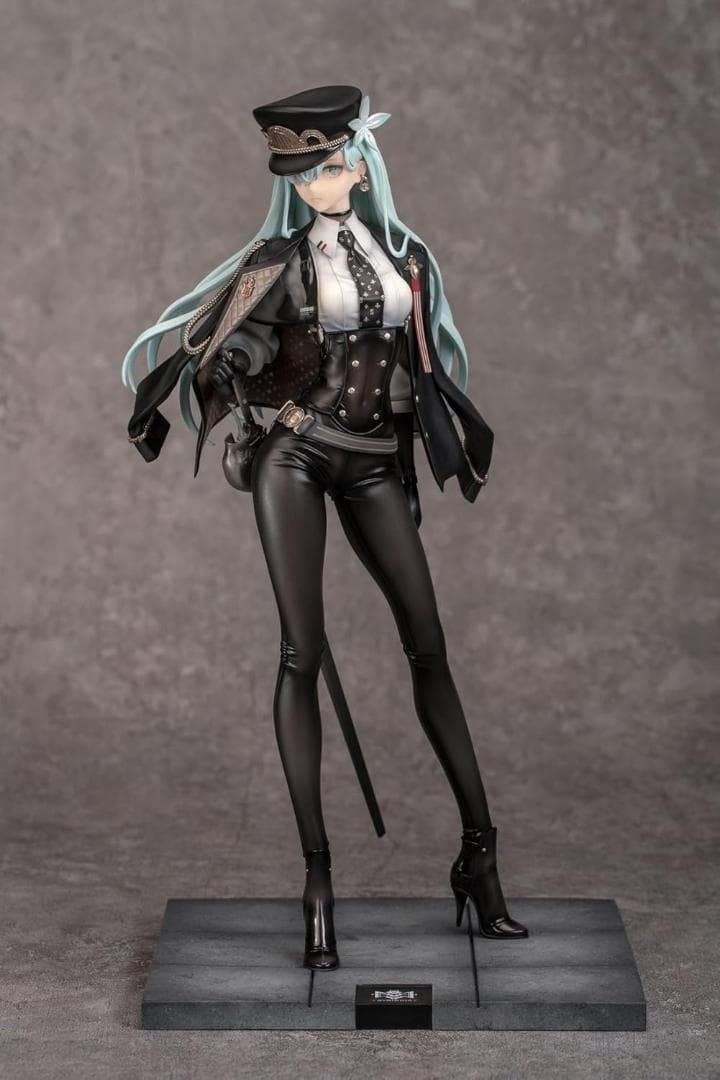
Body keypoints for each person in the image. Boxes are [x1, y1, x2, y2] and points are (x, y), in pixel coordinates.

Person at [123, 85, 529, 970]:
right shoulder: (276, 262)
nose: (317, 185)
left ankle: (480, 855)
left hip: (376, 461)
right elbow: (226, 348)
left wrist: (417, 467)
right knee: (299, 653)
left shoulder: (406, 259)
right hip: (297, 457)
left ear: (362, 162)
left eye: (331, 166)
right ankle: (317, 880)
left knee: (429, 646)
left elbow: (418, 374)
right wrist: (239, 361)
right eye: (302, 175)